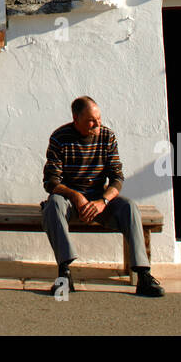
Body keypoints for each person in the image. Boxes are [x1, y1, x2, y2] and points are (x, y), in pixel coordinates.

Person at [41, 96, 165, 297]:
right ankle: (64, 273)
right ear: (76, 118)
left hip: (99, 200)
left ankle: (143, 274)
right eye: (91, 120)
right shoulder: (59, 138)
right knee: (53, 204)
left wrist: (103, 201)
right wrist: (76, 197)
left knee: (129, 207)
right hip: (70, 202)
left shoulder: (107, 137)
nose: (97, 124)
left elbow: (117, 178)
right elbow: (50, 182)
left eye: (98, 118)